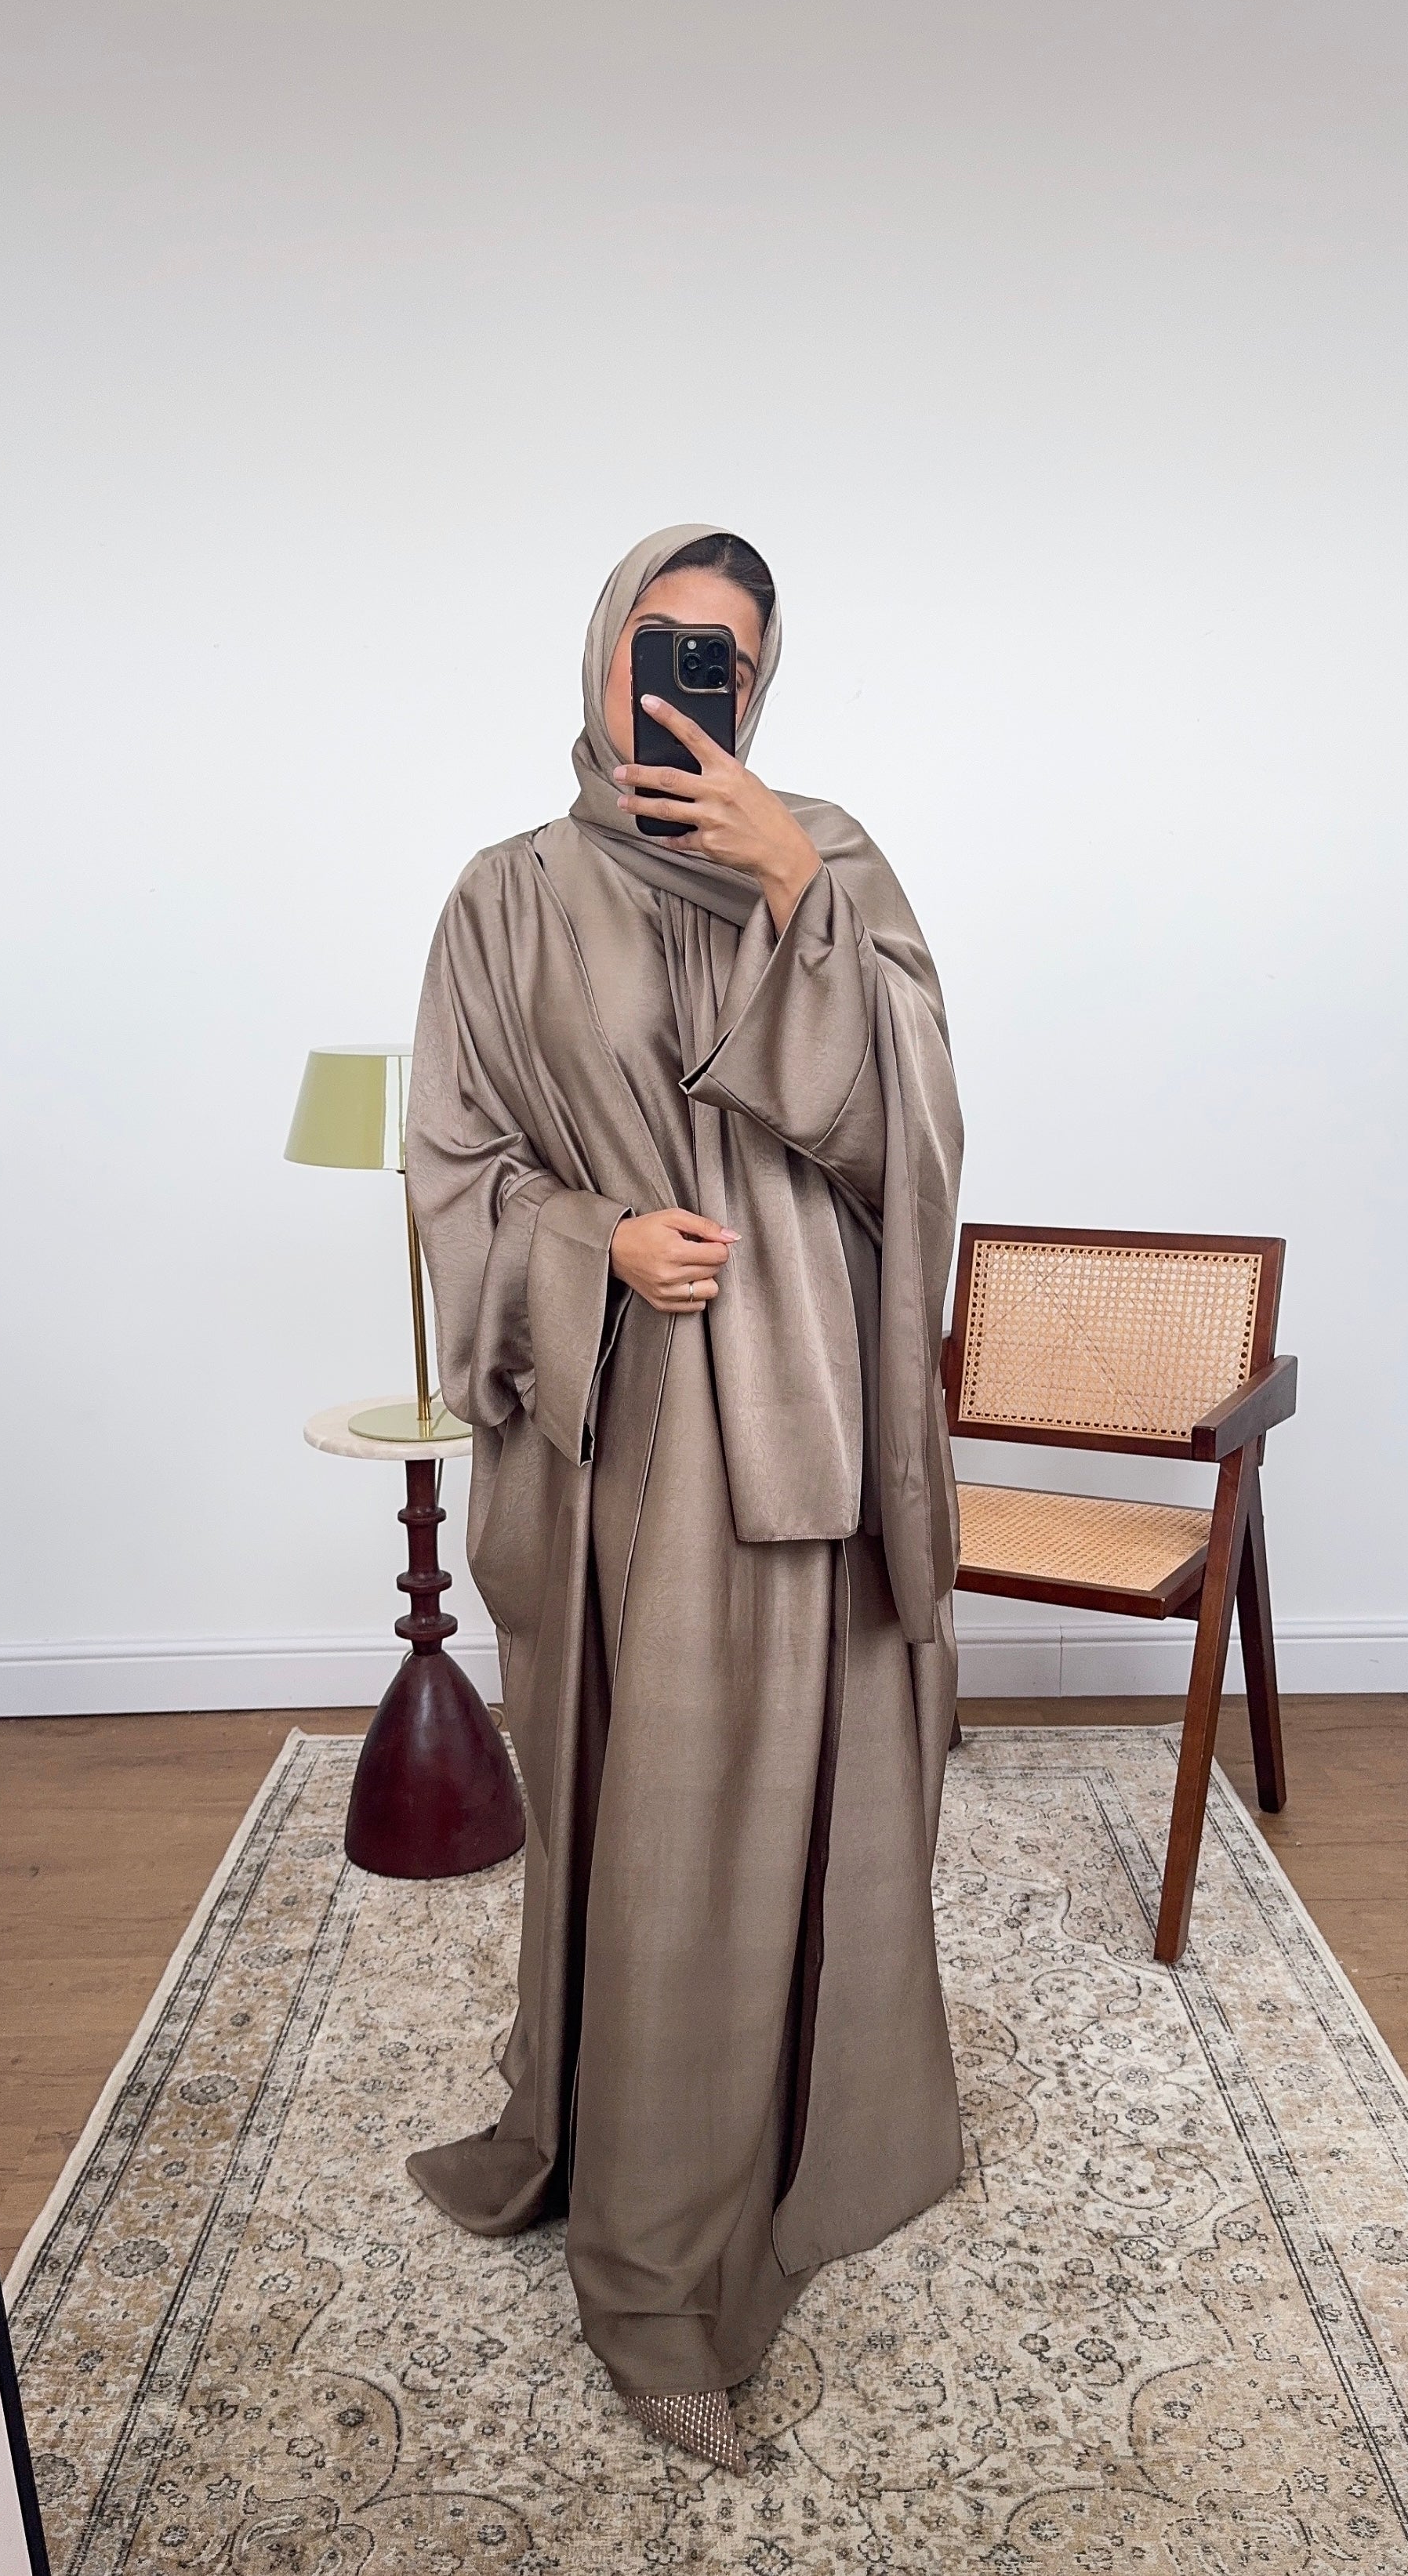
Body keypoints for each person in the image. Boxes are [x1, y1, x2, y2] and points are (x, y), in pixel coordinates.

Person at [404, 523, 964, 2473]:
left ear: (763, 682)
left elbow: (919, 1142)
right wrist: (596, 1243)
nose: (685, 682)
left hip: (810, 1413)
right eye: (661, 643)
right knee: (656, 1830)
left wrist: (799, 891)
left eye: (723, 656)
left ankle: (779, 2148)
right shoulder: (505, 896)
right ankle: (650, 2269)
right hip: (634, 1417)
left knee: (781, 1812)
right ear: (601, 655)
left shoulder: (836, 858)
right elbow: (456, 1164)